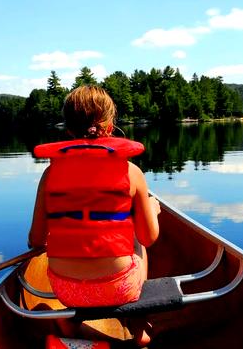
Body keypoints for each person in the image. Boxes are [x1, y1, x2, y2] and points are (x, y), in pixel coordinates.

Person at [28, 85, 161, 346]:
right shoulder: (131, 171)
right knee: (138, 239)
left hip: (67, 291)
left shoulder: (49, 175)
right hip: (120, 287)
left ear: (67, 130)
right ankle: (137, 322)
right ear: (110, 127)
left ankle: (72, 321)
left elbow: (36, 240)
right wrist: (152, 211)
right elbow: (150, 237)